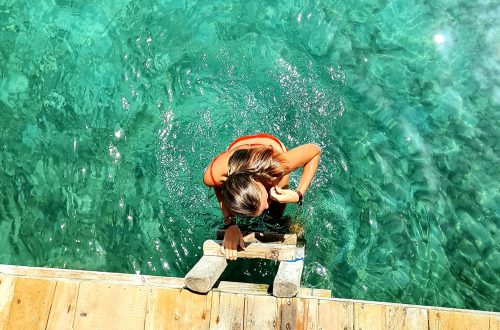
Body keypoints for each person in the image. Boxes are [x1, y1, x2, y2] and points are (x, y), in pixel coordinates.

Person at [203, 133, 321, 260]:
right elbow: (220, 188)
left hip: (267, 150)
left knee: (275, 214)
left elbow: (315, 150)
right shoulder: (212, 176)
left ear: (261, 182)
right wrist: (230, 224)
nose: (266, 206)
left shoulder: (275, 166)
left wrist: (298, 194)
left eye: (264, 202)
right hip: (238, 149)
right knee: (244, 208)